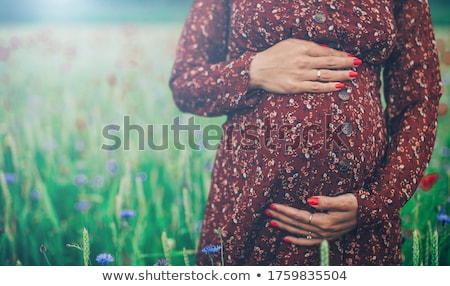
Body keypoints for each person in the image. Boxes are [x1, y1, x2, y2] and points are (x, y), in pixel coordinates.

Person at [169, 0, 443, 265]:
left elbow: (418, 100)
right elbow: (185, 83)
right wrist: (251, 71)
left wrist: (377, 202)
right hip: (252, 210)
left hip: (357, 229)